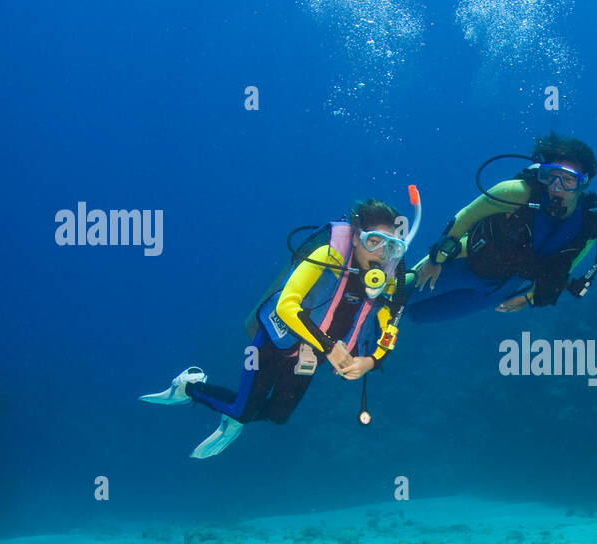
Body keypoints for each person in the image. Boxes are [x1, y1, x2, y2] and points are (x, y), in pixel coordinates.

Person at [139, 196, 417, 457]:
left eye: (392, 246)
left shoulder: (387, 281)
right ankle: (188, 388)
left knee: (278, 417)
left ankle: (235, 415)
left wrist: (370, 361)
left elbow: (390, 330)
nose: (382, 253)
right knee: (243, 410)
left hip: (308, 357)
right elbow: (286, 306)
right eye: (375, 241)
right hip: (273, 344)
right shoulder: (327, 255)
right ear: (356, 237)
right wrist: (331, 348)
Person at [404, 133, 597, 323]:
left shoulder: (588, 226)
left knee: (419, 316)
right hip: (465, 262)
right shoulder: (516, 192)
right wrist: (436, 260)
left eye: (568, 180)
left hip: (501, 288)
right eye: (551, 176)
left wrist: (530, 298)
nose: (557, 185)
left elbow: (564, 268)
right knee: (391, 296)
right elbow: (465, 217)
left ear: (584, 183)